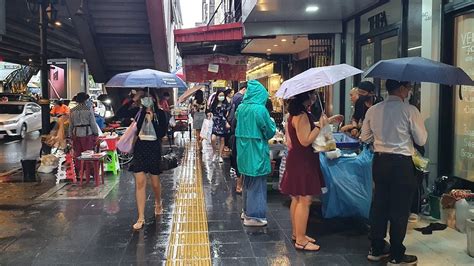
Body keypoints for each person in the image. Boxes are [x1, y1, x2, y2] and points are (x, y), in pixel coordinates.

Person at [361, 79, 427, 265]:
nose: (409, 90)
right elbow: (421, 140)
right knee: (399, 209)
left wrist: (382, 137)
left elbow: (365, 137)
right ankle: (397, 254)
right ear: (400, 88)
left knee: (379, 204)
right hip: (401, 164)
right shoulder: (410, 110)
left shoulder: (373, 110)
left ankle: (376, 247)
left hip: (380, 162)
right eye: (407, 87)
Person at [280, 91, 328, 251]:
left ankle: (297, 233)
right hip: (303, 162)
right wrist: (320, 125)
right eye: (312, 95)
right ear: (306, 98)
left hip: (298, 160)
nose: (314, 98)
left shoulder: (295, 115)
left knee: (297, 198)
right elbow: (305, 140)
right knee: (305, 200)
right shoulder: (302, 115)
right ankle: (300, 239)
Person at [235, 80, 276, 227]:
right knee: (257, 182)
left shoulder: (241, 108)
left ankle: (245, 211)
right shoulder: (260, 110)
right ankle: (254, 217)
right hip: (256, 149)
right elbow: (269, 131)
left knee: (247, 180)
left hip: (243, 149)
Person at [129, 92, 168, 230]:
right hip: (140, 148)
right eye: (143, 98)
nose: (146, 101)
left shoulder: (161, 114)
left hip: (153, 148)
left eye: (149, 98)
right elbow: (121, 113)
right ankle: (141, 217)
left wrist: (152, 120)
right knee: (140, 182)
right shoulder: (139, 113)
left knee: (155, 182)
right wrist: (134, 99)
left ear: (154, 99)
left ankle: (158, 202)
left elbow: (162, 133)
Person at [68, 93, 99, 172]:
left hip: (76, 134)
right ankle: (89, 172)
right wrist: (96, 133)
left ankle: (80, 172)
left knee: (78, 154)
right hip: (87, 134)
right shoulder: (88, 109)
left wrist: (70, 135)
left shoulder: (72, 110)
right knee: (88, 154)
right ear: (85, 100)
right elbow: (93, 123)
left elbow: (70, 124)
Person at [229, 82, 247, 194]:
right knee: (243, 163)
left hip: (237, 138)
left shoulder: (239, 108)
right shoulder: (257, 110)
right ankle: (240, 185)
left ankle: (239, 185)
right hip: (243, 141)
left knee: (239, 162)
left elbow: (234, 123)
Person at [207, 89, 231, 163]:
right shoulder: (213, 104)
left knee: (222, 139)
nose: (221, 97)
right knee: (213, 139)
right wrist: (209, 114)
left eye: (223, 95)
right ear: (217, 96)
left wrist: (227, 122)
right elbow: (209, 111)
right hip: (214, 122)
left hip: (223, 123)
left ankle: (220, 155)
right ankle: (215, 152)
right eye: (220, 95)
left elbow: (226, 115)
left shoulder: (226, 104)